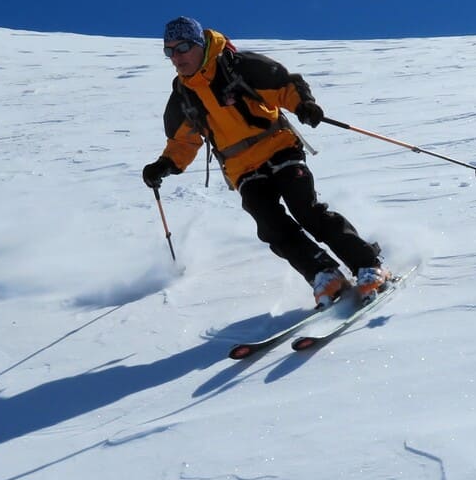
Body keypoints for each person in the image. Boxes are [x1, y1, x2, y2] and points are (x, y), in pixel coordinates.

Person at [141, 16, 391, 307]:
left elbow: (285, 84)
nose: (176, 56)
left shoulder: (238, 67)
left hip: (279, 149)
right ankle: (323, 274)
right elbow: (182, 142)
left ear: (200, 44)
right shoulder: (182, 96)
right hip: (242, 169)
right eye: (169, 51)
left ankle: (367, 264)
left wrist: (304, 105)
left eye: (183, 47)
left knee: (305, 210)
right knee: (270, 225)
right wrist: (164, 165)